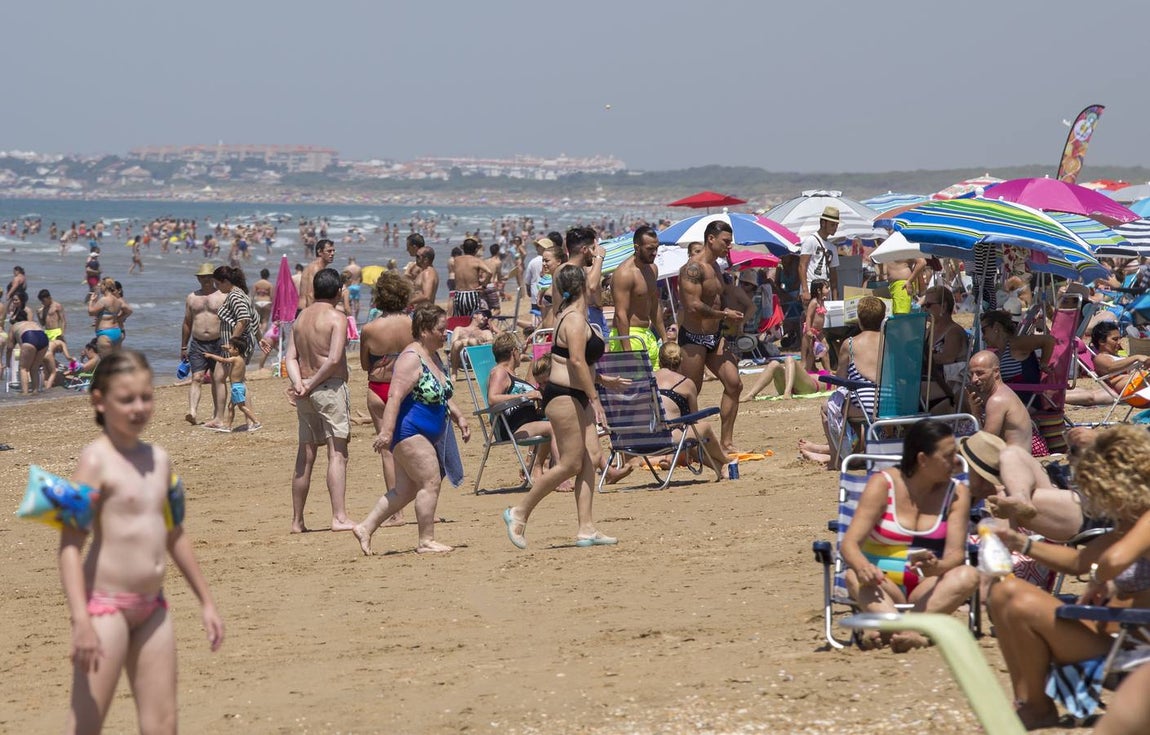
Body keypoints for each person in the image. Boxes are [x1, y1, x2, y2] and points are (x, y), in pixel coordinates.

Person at [59, 350, 223, 732]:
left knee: (163, 725)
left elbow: (174, 533)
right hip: (105, 610)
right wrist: (80, 619)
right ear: (99, 400)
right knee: (85, 724)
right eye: (127, 399)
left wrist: (207, 602)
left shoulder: (159, 459)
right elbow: (69, 546)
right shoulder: (93, 461)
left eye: (146, 397)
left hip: (153, 607)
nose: (139, 408)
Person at [986, 424, 1150, 729]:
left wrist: (1099, 579)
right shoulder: (1129, 523)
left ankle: (1037, 707)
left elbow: (1113, 561)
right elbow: (1078, 561)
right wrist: (1020, 542)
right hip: (1119, 645)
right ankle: (1032, 703)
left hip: (1139, 656)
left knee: (1015, 599)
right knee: (1005, 593)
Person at [502, 265, 628, 549]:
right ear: (585, 285)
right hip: (564, 397)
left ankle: (586, 528)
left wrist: (604, 381)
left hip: (576, 394)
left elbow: (575, 362)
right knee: (571, 462)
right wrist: (596, 401)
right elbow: (575, 362)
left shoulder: (577, 317)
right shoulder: (572, 320)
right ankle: (519, 512)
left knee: (589, 460)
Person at [839, 418, 979, 651]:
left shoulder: (957, 493)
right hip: (882, 584)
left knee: (969, 575)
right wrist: (863, 567)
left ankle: (890, 629)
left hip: (926, 586)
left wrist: (939, 566)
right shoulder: (883, 484)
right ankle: (913, 633)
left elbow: (956, 554)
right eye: (947, 456)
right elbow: (850, 545)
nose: (955, 462)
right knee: (853, 575)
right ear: (922, 459)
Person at [353, 304, 471, 554]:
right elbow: (394, 397)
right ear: (426, 330)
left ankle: (365, 527)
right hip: (409, 431)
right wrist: (385, 432)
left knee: (404, 491)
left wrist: (459, 417)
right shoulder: (410, 357)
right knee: (430, 481)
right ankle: (425, 540)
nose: (445, 333)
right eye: (441, 329)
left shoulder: (434, 355)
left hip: (424, 431)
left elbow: (440, 392)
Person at [286, 268, 355, 534]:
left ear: (314, 291)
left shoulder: (301, 318)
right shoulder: (337, 317)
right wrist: (310, 384)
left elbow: (290, 358)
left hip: (305, 390)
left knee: (305, 454)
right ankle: (338, 516)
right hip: (329, 388)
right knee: (337, 453)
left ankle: (297, 520)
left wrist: (299, 384)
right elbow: (334, 359)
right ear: (338, 292)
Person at [676, 221, 744, 453]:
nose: (729, 245)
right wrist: (725, 314)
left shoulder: (716, 268)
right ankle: (685, 445)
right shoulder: (692, 269)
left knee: (734, 384)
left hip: (715, 337)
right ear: (711, 239)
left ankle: (726, 442)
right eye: (726, 241)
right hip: (693, 338)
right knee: (690, 391)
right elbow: (693, 306)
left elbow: (717, 298)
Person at [799, 296, 886, 467]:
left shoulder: (851, 344)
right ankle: (846, 453)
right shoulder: (891, 340)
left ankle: (835, 458)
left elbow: (841, 380)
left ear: (859, 320)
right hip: (892, 404)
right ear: (882, 318)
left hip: (864, 406)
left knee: (828, 407)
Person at [955, 430, 1085, 544]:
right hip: (1073, 511)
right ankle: (1020, 498)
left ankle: (1021, 498)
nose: (961, 477)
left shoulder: (1004, 495)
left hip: (1084, 510)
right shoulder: (999, 500)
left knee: (1012, 453)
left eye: (966, 468)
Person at [358, 271, 414, 526]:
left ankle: (396, 513)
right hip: (404, 387)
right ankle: (424, 503)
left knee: (387, 452)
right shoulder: (411, 324)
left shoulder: (369, 329)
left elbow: (362, 364)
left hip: (378, 388)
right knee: (414, 446)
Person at [654, 342, 728, 481]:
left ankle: (719, 467)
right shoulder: (686, 383)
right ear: (681, 360)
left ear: (659, 360)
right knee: (702, 428)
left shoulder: (645, 381)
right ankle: (725, 461)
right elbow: (694, 419)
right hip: (668, 438)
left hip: (642, 438)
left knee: (686, 436)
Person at [609, 225, 667, 368]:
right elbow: (621, 314)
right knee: (634, 387)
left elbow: (654, 306)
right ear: (637, 247)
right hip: (628, 335)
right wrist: (627, 351)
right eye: (649, 249)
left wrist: (665, 338)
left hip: (647, 334)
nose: (654, 253)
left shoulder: (652, 269)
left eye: (656, 248)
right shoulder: (624, 273)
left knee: (657, 383)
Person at [181, 263, 228, 428]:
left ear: (214, 278)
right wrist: (183, 346)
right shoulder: (192, 298)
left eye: (209, 277)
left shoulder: (222, 296)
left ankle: (217, 414)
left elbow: (232, 320)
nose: (206, 280)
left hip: (219, 343)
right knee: (197, 377)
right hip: (198, 344)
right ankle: (192, 411)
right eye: (203, 277)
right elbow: (187, 322)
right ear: (199, 278)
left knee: (218, 380)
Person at [1066, 321, 1150, 406]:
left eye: (1119, 338)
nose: (1119, 342)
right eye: (1115, 339)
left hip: (1141, 386)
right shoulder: (1100, 358)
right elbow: (1110, 367)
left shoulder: (1118, 357)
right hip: (1132, 391)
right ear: (1102, 341)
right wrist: (1136, 357)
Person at [966, 351, 1036, 452]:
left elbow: (985, 445)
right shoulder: (1005, 393)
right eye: (971, 374)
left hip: (1011, 464)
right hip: (1019, 459)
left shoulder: (997, 400)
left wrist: (975, 415)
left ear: (996, 372)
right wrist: (976, 413)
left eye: (980, 373)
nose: (974, 379)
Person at [921, 285, 970, 414]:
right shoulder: (929, 330)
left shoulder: (954, 331)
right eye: (924, 305)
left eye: (929, 305)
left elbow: (948, 358)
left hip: (949, 389)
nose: (925, 308)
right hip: (932, 384)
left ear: (943, 306)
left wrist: (921, 357)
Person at [980, 309, 1054, 386]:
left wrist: (1043, 364)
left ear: (996, 327)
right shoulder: (998, 354)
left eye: (983, 331)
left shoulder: (1015, 344)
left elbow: (1048, 340)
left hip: (1023, 396)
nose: (983, 337)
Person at [203, 339, 261, 432]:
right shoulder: (241, 358)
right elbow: (232, 351)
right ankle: (228, 427)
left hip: (237, 387)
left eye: (230, 348)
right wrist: (227, 348)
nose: (228, 350)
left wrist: (210, 355)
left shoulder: (235, 359)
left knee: (242, 407)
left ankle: (256, 422)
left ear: (236, 350)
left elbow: (223, 360)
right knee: (230, 407)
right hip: (238, 386)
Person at [563, 226, 608, 334]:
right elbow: (592, 286)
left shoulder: (562, 269)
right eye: (593, 248)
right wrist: (599, 258)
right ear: (584, 249)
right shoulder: (572, 270)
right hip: (577, 325)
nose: (593, 252)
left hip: (570, 322)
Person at [213, 266, 260, 362]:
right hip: (238, 346)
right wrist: (259, 339)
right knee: (228, 375)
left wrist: (231, 344)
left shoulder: (235, 296)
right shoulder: (241, 294)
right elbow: (253, 318)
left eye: (217, 284)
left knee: (234, 375)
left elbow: (243, 319)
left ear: (226, 281)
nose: (216, 287)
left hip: (236, 348)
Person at [799, 207, 840, 304]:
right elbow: (802, 266)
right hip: (811, 287)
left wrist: (835, 298)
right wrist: (805, 290)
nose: (835, 227)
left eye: (836, 225)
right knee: (812, 318)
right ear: (823, 223)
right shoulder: (810, 240)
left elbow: (833, 274)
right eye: (832, 224)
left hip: (825, 291)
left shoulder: (832, 247)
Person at [10, 300, 49, 394]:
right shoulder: (33, 323)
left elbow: (9, 347)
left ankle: (25, 392)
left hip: (29, 337)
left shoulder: (15, 325)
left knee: (23, 368)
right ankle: (35, 391)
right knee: (34, 367)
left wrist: (7, 362)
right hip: (43, 338)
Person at [87, 277, 132, 355]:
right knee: (116, 361)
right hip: (117, 332)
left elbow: (91, 312)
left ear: (105, 286)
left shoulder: (104, 300)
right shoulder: (118, 300)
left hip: (105, 333)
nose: (100, 288)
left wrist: (91, 301)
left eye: (101, 285)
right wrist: (119, 319)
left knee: (106, 362)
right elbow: (129, 311)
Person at [451, 238, 494, 316]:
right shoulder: (476, 260)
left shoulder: (456, 260)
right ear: (476, 250)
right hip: (472, 294)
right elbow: (489, 272)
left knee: (460, 320)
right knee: (473, 321)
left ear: (463, 249)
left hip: (459, 294)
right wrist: (483, 286)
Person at [297, 238, 336, 313]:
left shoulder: (320, 267)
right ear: (319, 252)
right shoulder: (316, 268)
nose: (332, 253)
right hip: (305, 309)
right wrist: (312, 315)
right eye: (329, 251)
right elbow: (310, 294)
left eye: (333, 251)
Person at [801, 280, 830, 373]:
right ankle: (807, 371)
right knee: (811, 354)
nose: (828, 289)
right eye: (826, 287)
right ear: (818, 290)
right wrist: (809, 330)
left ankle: (828, 371)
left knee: (825, 348)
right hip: (811, 331)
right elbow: (808, 316)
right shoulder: (814, 302)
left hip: (819, 332)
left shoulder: (821, 301)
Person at [344, 257, 362, 323]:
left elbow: (344, 278)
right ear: (355, 260)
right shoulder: (359, 268)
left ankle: (350, 317)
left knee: (349, 303)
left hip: (349, 286)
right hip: (356, 286)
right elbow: (361, 278)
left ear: (349, 260)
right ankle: (356, 318)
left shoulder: (346, 268)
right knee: (357, 302)